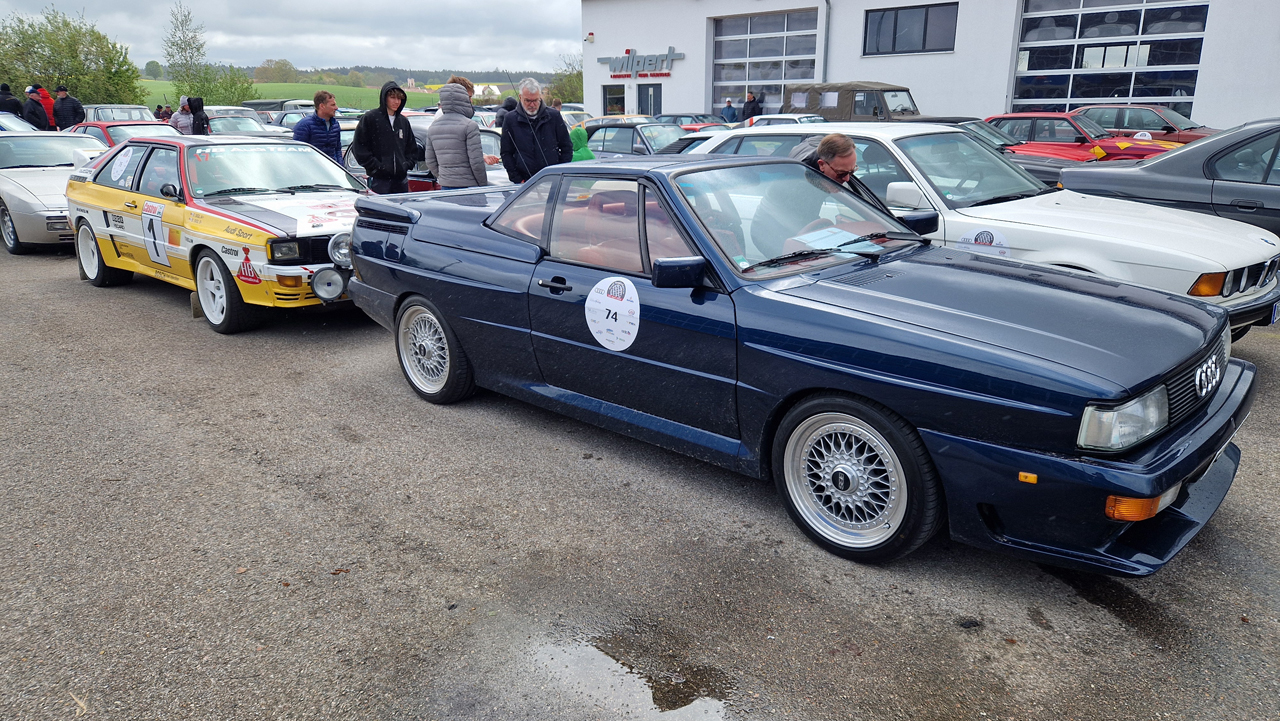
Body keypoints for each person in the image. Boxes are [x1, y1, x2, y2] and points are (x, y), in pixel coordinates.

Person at [788, 134, 892, 216]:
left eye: (852, 171)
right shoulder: (800, 186)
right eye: (841, 173)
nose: (847, 179)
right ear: (822, 165)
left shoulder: (830, 169)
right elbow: (798, 223)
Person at [351, 80, 424, 194]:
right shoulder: (370, 118)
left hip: (401, 180)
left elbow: (412, 148)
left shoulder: (403, 122)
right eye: (392, 97)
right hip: (378, 180)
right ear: (384, 98)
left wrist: (406, 165)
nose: (396, 102)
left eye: (399, 98)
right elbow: (359, 147)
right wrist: (376, 167)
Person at [499, 78, 572, 184]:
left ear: (540, 97)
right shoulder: (510, 119)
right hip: (524, 183)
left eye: (535, 100)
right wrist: (518, 179)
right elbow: (506, 152)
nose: (532, 105)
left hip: (553, 181)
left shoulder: (554, 116)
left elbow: (567, 148)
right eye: (528, 101)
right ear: (520, 97)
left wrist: (559, 174)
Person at [423, 77, 488, 189]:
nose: (471, 101)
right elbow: (476, 162)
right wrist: (483, 185)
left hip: (445, 185)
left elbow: (430, 161)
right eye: (469, 98)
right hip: (469, 185)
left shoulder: (433, 127)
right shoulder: (470, 126)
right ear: (463, 99)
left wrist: (445, 177)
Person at [293, 90, 342, 164]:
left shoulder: (335, 125)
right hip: (313, 168)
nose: (336, 108)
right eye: (332, 105)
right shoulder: (305, 125)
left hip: (331, 168)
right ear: (322, 106)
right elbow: (297, 152)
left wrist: (340, 167)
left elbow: (337, 150)